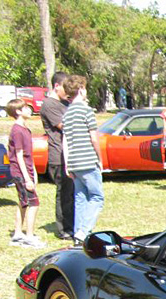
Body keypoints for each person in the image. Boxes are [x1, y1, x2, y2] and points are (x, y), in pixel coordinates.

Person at [62, 75, 104, 244]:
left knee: (80, 197)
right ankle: (84, 231)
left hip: (73, 162)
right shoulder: (86, 111)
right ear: (80, 90)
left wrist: (67, 164)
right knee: (97, 197)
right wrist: (99, 158)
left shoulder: (67, 113)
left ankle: (78, 232)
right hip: (88, 161)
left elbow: (65, 140)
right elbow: (94, 137)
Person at [40, 71, 74, 240]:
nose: (68, 91)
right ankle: (64, 229)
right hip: (59, 156)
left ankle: (71, 225)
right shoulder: (49, 104)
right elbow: (65, 125)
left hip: (69, 154)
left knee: (71, 194)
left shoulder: (64, 103)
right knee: (64, 194)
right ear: (56, 86)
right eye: (65, 87)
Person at [5, 98, 43, 248]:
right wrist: (27, 178)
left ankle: (17, 234)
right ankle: (29, 236)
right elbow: (19, 155)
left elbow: (29, 155)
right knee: (34, 203)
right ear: (18, 111)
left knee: (23, 202)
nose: (29, 109)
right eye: (25, 108)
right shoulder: (17, 131)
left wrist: (34, 173)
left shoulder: (26, 129)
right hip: (20, 172)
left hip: (26, 171)